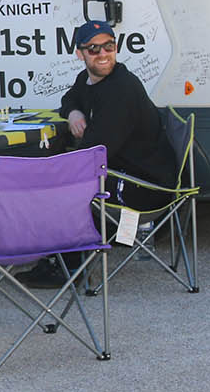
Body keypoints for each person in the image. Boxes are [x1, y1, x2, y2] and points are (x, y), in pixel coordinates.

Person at [21, 19, 178, 288]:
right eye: (93, 49)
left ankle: (68, 267)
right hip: (125, 171)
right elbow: (69, 99)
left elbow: (94, 153)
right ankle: (58, 256)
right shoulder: (89, 79)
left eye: (109, 46)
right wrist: (73, 113)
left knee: (67, 184)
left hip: (146, 186)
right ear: (80, 54)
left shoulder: (121, 89)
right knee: (61, 174)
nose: (103, 54)